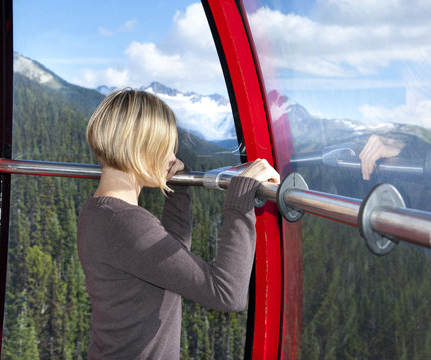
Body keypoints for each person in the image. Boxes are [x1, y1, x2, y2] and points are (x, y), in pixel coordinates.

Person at [77, 89, 280, 359]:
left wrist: (176, 189)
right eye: (166, 146)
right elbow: (227, 294)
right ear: (140, 147)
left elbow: (168, 259)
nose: (172, 156)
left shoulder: (99, 212)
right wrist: (240, 200)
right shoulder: (127, 222)